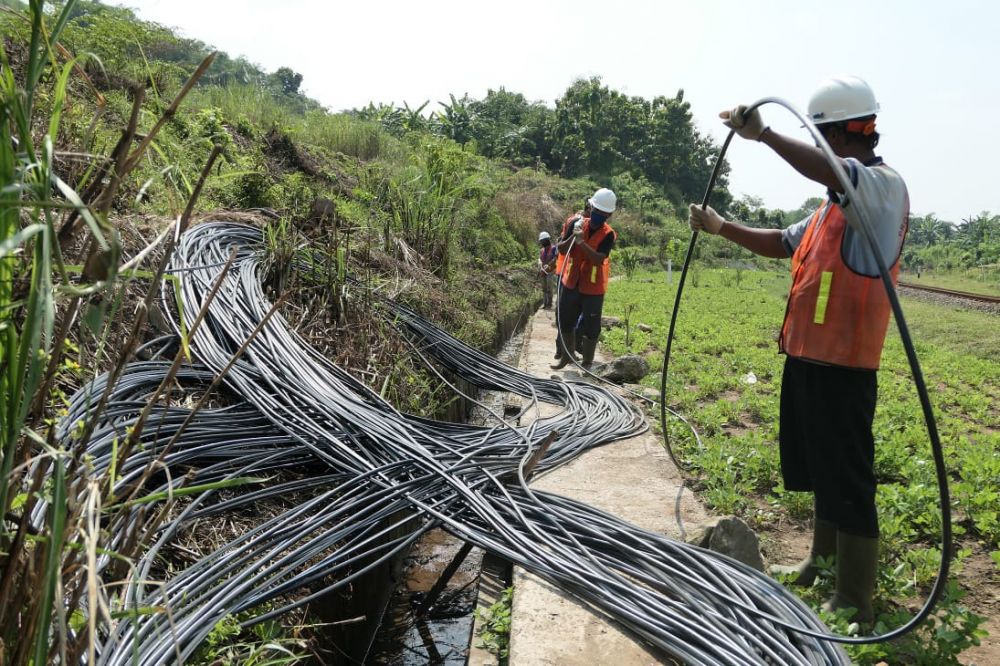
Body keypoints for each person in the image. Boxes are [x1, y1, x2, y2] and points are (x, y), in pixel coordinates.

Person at [687, 75, 908, 623]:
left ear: (842, 134)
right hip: (809, 356)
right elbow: (781, 240)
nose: (820, 146)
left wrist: (766, 136)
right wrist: (721, 227)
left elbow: (829, 170)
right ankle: (820, 561)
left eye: (820, 135)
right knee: (820, 467)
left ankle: (854, 596)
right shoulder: (835, 205)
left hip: (845, 364)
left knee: (847, 475)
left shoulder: (880, 188)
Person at [551, 188, 617, 370]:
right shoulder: (577, 224)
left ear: (609, 215)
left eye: (603, 214)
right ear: (591, 207)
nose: (598, 216)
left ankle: (587, 362)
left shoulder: (608, 234)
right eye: (596, 211)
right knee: (565, 319)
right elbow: (562, 249)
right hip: (571, 282)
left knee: (591, 325)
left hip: (593, 288)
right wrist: (574, 235)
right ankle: (566, 356)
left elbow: (598, 258)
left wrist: (582, 243)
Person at [537, 231, 557, 309]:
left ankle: (549, 303)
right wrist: (539, 262)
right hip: (543, 272)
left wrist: (548, 265)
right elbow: (540, 258)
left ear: (547, 240)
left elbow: (555, 258)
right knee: (544, 288)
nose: (541, 242)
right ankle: (545, 304)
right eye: (541, 241)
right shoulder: (542, 250)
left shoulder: (554, 248)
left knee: (549, 288)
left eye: (542, 241)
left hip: (551, 271)